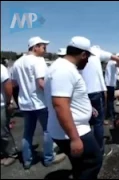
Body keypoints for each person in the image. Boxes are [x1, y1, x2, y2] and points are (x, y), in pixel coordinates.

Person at [44, 36, 103, 179]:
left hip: (72, 128)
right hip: (74, 131)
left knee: (80, 164)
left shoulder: (63, 67)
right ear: (83, 55)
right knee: (93, 162)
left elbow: (70, 98)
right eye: (88, 57)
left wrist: (88, 108)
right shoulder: (64, 70)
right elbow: (60, 105)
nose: (88, 61)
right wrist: (75, 139)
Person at [11, 36, 66, 169]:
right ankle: (48, 158)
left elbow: (14, 84)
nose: (45, 49)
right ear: (35, 47)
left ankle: (27, 160)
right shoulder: (38, 61)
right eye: (43, 46)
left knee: (28, 132)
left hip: (25, 103)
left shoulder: (17, 63)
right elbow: (41, 83)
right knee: (47, 130)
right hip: (40, 102)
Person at [80, 45, 119, 157]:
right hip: (95, 92)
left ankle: (87, 148)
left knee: (86, 121)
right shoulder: (97, 52)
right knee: (98, 123)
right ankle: (99, 151)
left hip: (82, 93)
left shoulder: (79, 55)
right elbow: (118, 60)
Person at [1, 64, 18, 166]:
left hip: (1, 105)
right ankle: (3, 153)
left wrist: (9, 103)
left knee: (3, 131)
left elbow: (8, 85)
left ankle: (11, 154)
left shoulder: (1, 68)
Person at [105, 53, 119, 125]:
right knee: (110, 100)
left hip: (111, 84)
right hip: (109, 84)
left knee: (111, 100)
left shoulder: (113, 63)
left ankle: (112, 112)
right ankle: (110, 116)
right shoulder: (113, 62)